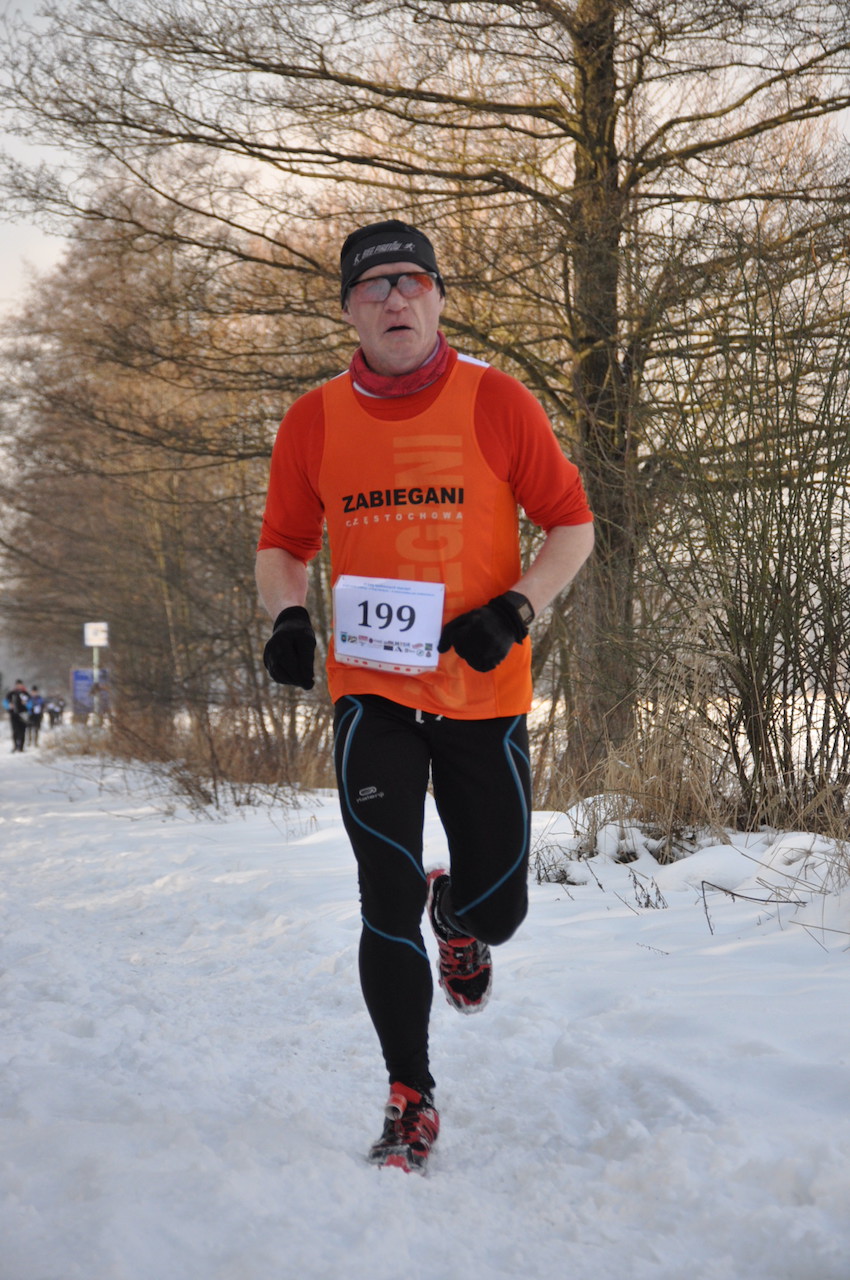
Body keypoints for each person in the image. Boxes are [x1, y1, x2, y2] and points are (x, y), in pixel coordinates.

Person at [256, 220, 595, 1173]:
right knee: (384, 892)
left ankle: (460, 923)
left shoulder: (496, 400)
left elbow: (572, 526)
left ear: (440, 297)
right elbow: (283, 544)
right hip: (373, 696)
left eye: (413, 281)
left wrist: (516, 611)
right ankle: (411, 1093)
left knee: (500, 909)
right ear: (349, 311)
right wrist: (288, 617)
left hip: (483, 693)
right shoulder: (315, 419)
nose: (396, 299)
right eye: (374, 287)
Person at [4, 679, 30, 752]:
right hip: (14, 715)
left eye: (20, 685)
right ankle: (15, 746)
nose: (18, 686)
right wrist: (9, 706)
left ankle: (21, 747)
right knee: (15, 730)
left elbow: (31, 704)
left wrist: (26, 704)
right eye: (17, 685)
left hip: (23, 715)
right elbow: (5, 702)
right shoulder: (11, 693)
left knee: (22, 731)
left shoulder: (25, 694)